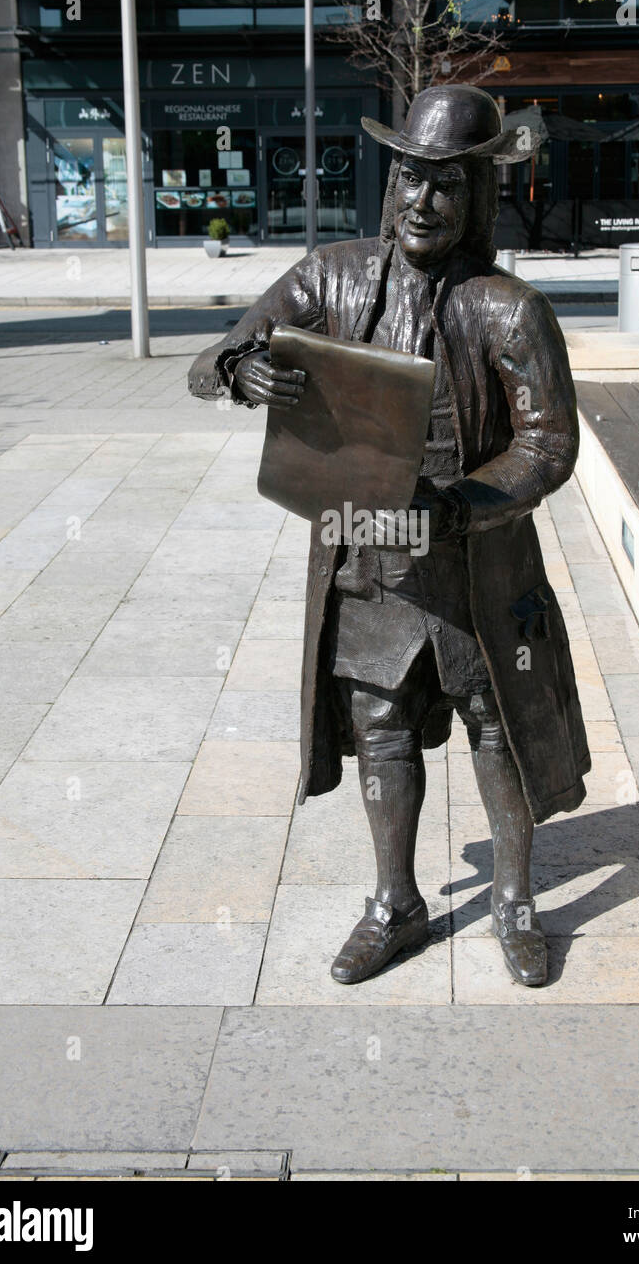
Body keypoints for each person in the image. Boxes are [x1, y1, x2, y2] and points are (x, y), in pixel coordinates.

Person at [189, 84, 590, 987]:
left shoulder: (509, 310)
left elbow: (550, 444)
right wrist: (246, 367)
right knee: (378, 726)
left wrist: (463, 504)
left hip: (475, 567)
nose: (423, 202)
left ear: (479, 197)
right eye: (411, 178)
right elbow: (213, 357)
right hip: (366, 556)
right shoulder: (329, 275)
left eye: (447, 186)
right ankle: (395, 901)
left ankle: (516, 902)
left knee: (499, 728)